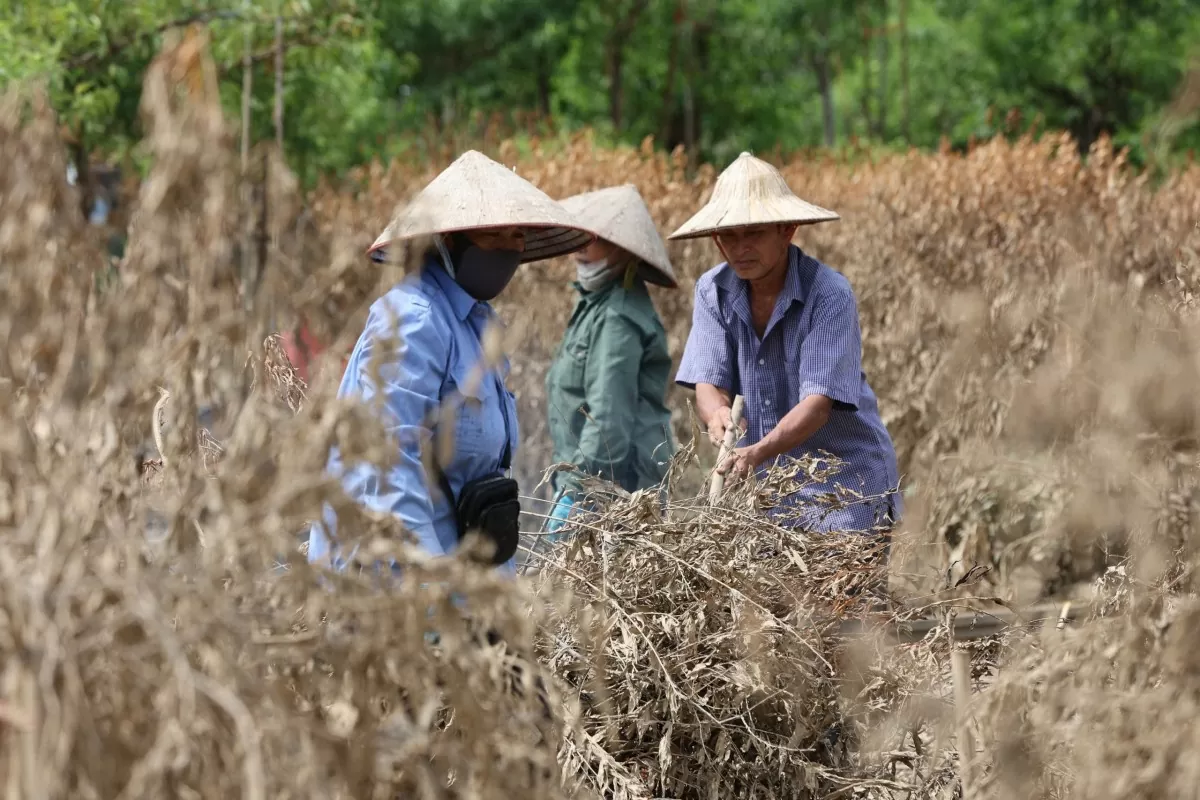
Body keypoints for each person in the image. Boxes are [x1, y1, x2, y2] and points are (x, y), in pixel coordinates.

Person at [306, 150, 597, 577]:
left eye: (517, 235)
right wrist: (433, 583)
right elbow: (388, 462)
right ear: (448, 241)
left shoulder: (479, 323)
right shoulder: (414, 319)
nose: (509, 249)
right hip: (402, 586)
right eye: (493, 235)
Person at [671, 151, 902, 536]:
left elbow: (817, 405)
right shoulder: (712, 292)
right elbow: (708, 381)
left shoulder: (828, 294)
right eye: (730, 235)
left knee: (842, 596)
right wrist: (717, 415)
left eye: (755, 234)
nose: (741, 248)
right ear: (716, 240)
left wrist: (758, 452)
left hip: (844, 483)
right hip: (768, 488)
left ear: (787, 230)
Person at [542, 184, 679, 540]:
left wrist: (576, 492)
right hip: (595, 481)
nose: (583, 246)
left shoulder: (618, 316)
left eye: (597, 237)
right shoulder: (594, 302)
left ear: (623, 246)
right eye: (580, 235)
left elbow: (607, 422)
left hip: (616, 490)